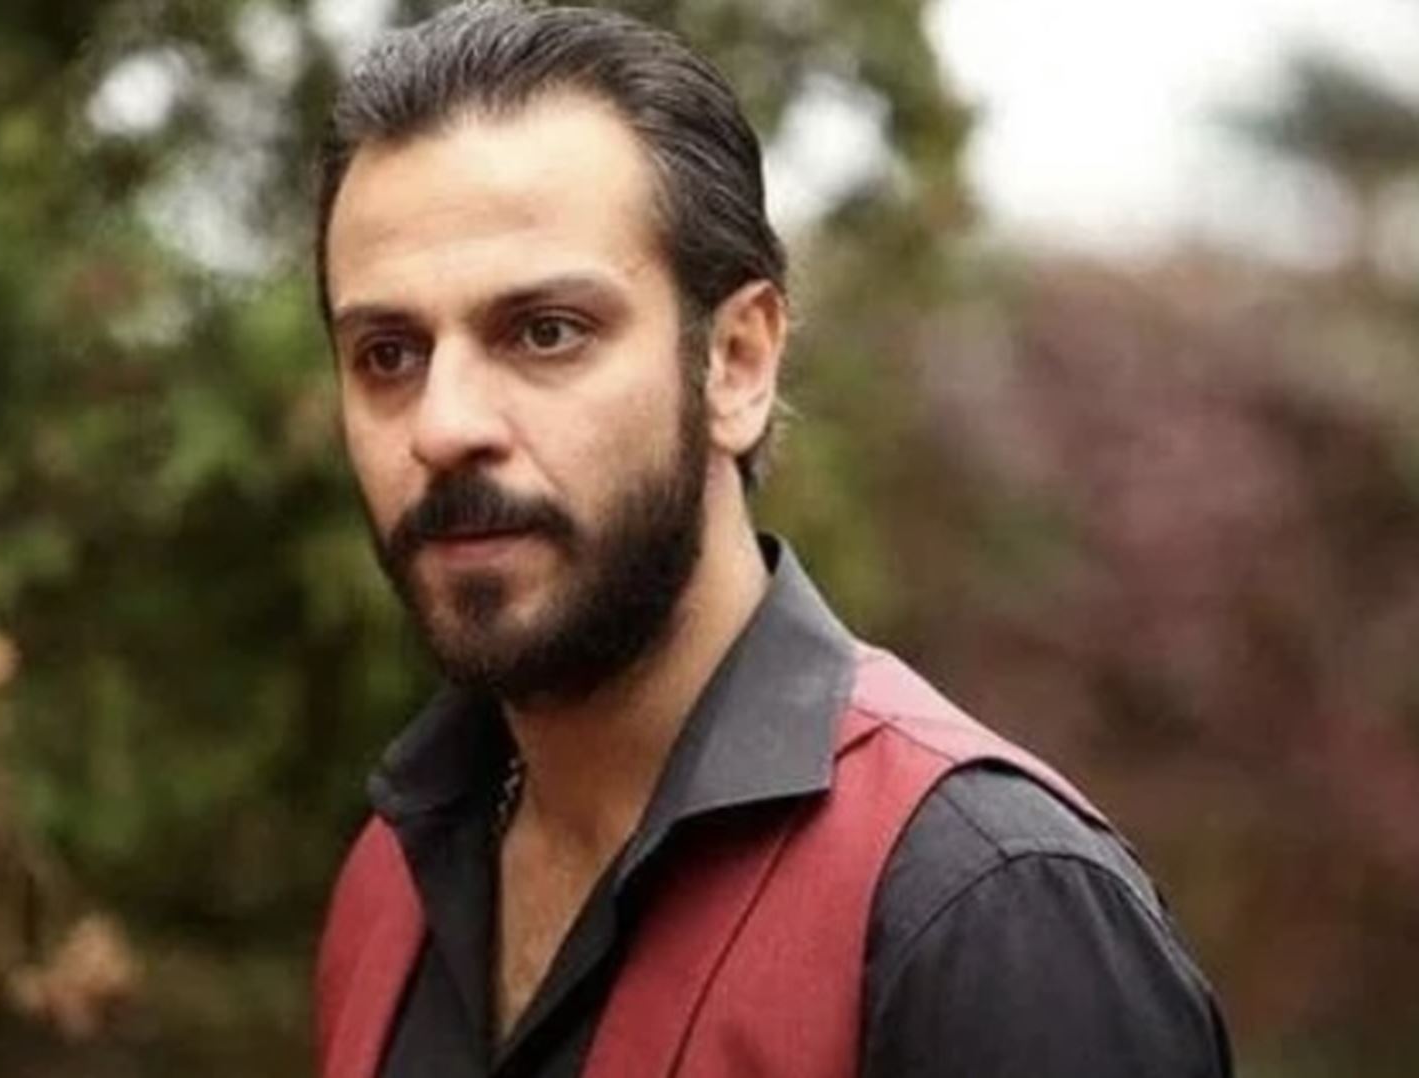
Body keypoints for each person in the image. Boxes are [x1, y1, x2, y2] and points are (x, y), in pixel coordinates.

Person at [311, 4, 1233, 1076]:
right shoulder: (389, 888)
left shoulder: (984, 913)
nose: (442, 426)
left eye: (545, 332)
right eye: (388, 354)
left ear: (738, 362)